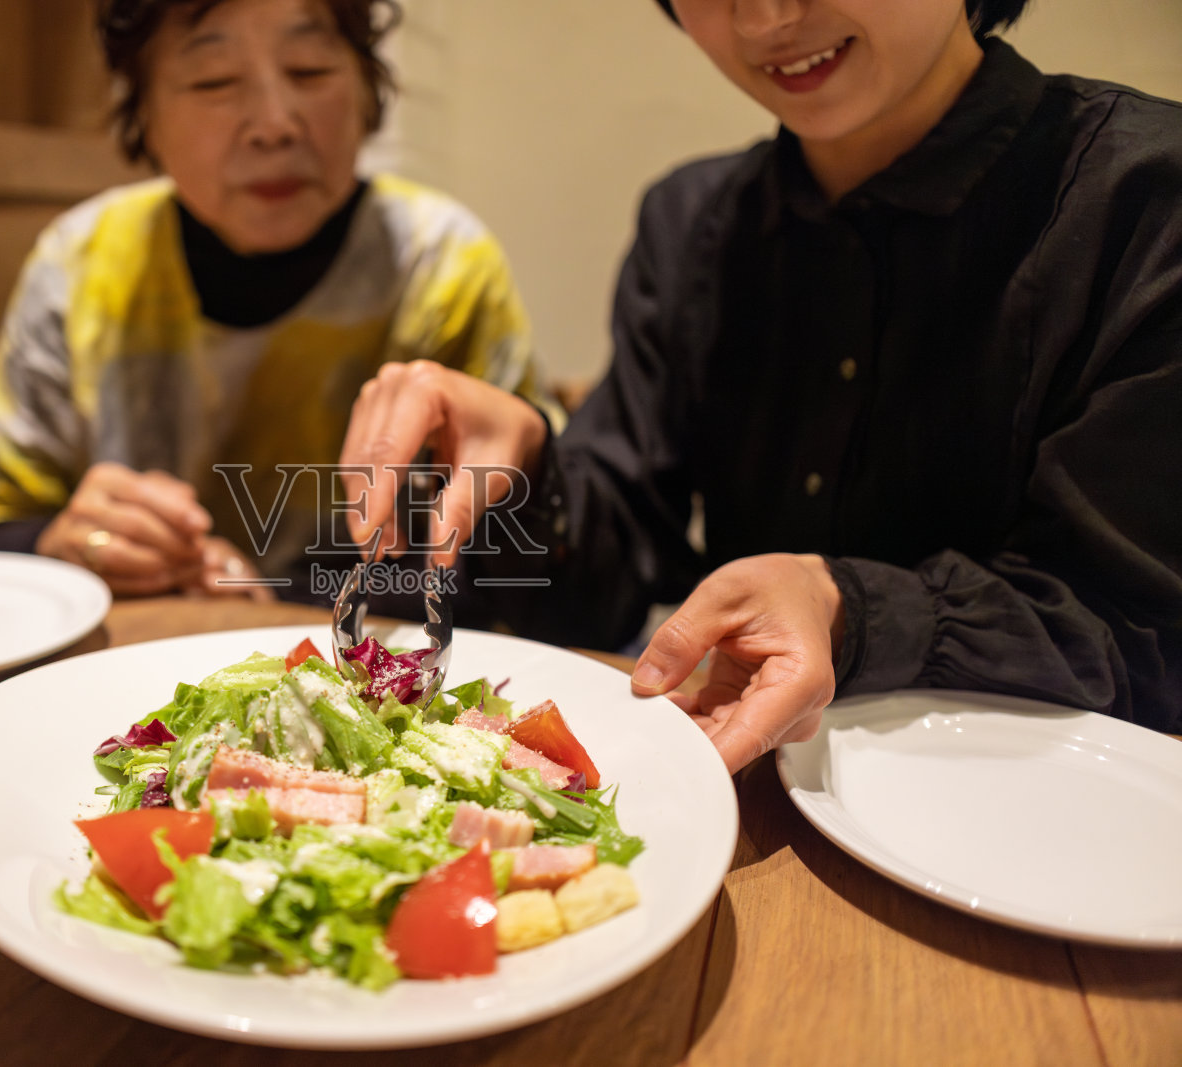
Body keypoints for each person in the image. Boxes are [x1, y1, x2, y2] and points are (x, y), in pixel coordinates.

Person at [339, 0, 1182, 773]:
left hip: (1077, 841)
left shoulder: (1147, 203)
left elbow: (1145, 635)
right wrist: (529, 467)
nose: (766, 16)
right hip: (751, 809)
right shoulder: (693, 224)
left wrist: (848, 608)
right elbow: (609, 589)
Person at [0, 0, 557, 602]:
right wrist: (62, 544)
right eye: (214, 82)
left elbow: (515, 564)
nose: (274, 124)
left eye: (308, 71)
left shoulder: (441, 267)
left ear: (366, 91)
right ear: (143, 111)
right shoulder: (79, 263)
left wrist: (277, 597)